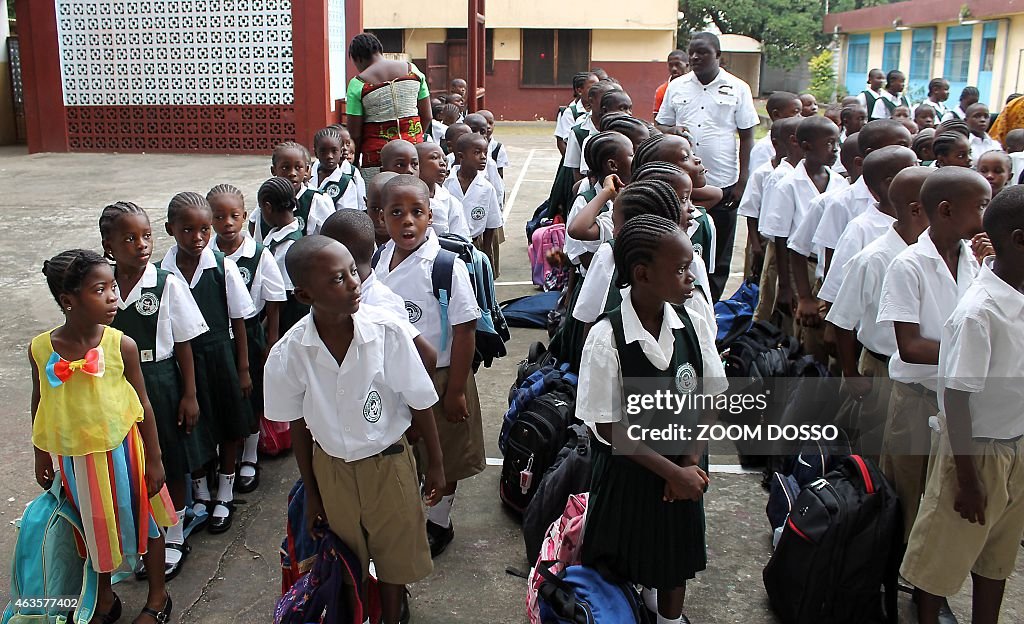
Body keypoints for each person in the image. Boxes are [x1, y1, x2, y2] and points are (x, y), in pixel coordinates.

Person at [265, 235, 445, 624]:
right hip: (333, 471)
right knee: (347, 562)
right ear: (305, 295)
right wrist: (311, 494)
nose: (353, 283)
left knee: (396, 560)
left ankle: (392, 617)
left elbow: (420, 397)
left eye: (352, 271)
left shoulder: (386, 331)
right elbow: (298, 428)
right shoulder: (290, 352)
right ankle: (362, 614)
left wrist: (436, 464)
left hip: (391, 463)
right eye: (336, 279)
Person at [578, 213, 727, 624]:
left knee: (675, 557)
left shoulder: (694, 324)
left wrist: (689, 464)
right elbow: (608, 426)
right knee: (624, 555)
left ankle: (668, 618)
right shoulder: (606, 336)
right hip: (632, 470)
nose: (691, 277)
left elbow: (711, 396)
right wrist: (670, 473)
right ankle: (629, 606)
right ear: (642, 274)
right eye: (680, 269)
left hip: (685, 462)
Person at [31, 249, 178, 624]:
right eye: (101, 289)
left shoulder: (120, 345)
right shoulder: (41, 349)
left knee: (146, 520)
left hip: (124, 453)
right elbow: (40, 401)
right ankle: (105, 599)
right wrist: (41, 454)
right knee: (91, 529)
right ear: (68, 301)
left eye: (113, 287)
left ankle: (158, 597)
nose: (114, 296)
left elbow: (143, 403)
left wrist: (156, 459)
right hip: (77, 459)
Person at [900, 185, 1024, 624]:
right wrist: (969, 478)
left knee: (997, 558)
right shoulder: (980, 311)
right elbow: (956, 398)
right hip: (975, 451)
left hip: (1015, 444)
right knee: (940, 558)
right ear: (1018, 239)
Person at [876, 166, 991, 544]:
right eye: (980, 207)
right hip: (917, 399)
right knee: (904, 495)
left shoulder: (978, 262)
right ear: (946, 211)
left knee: (942, 499)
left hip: (958, 402)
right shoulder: (908, 264)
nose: (985, 217)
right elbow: (910, 347)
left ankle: (924, 587)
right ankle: (893, 583)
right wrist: (974, 357)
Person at [373, 175, 482, 558]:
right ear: (380, 218)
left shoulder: (445, 266)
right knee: (409, 448)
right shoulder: (378, 260)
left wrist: (455, 391)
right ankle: (413, 510)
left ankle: (439, 521)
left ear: (431, 216)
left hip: (441, 377)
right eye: (396, 213)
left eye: (416, 212)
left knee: (446, 454)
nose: (407, 221)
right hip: (395, 377)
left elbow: (465, 329)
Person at [100, 203, 208, 580]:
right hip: (114, 383)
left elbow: (184, 344)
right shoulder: (104, 286)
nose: (141, 245)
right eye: (129, 238)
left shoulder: (166, 283)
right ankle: (140, 531)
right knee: (131, 458)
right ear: (108, 244)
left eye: (146, 236)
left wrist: (189, 393)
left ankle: (175, 532)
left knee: (170, 457)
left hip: (160, 380)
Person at [160, 192, 256, 535]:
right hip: (183, 363)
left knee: (229, 421)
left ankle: (225, 491)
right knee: (192, 427)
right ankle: (200, 491)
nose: (198, 238)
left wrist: (243, 368)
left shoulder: (222, 266)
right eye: (188, 230)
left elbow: (240, 320)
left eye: (204, 229)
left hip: (220, 355)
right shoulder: (162, 274)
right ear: (171, 229)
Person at [826, 166, 932, 458]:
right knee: (875, 452)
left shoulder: (937, 253)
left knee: (912, 456)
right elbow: (842, 319)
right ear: (917, 210)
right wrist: (850, 372)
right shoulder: (874, 258)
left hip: (926, 376)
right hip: (881, 371)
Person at [656, 32, 759, 301]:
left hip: (723, 180)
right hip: (680, 182)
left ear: (718, 56)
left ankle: (709, 305)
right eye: (692, 52)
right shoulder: (676, 87)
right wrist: (672, 129)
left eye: (702, 52)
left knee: (719, 249)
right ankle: (679, 300)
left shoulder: (738, 88)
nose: (694, 57)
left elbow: (747, 136)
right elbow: (660, 125)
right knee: (680, 242)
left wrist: (742, 181)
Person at [208, 184, 287, 495]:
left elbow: (275, 299)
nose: (227, 223)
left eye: (234, 216)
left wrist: (270, 341)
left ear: (245, 217)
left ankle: (251, 454)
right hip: (214, 335)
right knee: (222, 395)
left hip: (250, 333)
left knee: (251, 394)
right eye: (219, 216)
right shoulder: (206, 253)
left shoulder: (258, 254)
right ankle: (225, 452)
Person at [760, 116, 847, 360]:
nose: (836, 149)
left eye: (837, 142)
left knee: (823, 324)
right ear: (806, 146)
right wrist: (786, 287)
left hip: (826, 265)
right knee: (802, 326)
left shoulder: (839, 183)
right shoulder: (788, 184)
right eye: (829, 143)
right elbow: (780, 236)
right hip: (800, 264)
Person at [817, 146, 920, 307]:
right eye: (914, 169)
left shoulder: (924, 221)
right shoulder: (860, 229)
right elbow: (836, 293)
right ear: (891, 183)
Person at [813, 119, 913, 276]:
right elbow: (831, 257)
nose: (907, 152)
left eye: (909, 146)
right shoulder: (842, 202)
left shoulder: (913, 201)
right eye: (900, 146)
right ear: (870, 153)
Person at [345, 33, 432, 182]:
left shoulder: (358, 83)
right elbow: (428, 116)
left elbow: (355, 134)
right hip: (413, 155)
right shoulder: (413, 71)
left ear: (358, 58)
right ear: (380, 50)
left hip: (376, 159)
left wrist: (355, 163)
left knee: (380, 200)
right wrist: (413, 139)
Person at [565, 132, 633, 272]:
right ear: (612, 165)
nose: (637, 159)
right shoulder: (585, 200)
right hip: (598, 280)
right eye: (632, 155)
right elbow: (578, 255)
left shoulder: (634, 194)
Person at [251, 141, 334, 240]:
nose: (292, 173)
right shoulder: (267, 200)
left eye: (298, 168)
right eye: (285, 168)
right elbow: (258, 237)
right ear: (274, 170)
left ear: (307, 170)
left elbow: (330, 239)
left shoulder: (317, 201)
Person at [443, 133, 503, 265]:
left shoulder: (487, 188)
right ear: (461, 156)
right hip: (448, 245)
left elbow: (491, 225)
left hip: (476, 245)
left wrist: (486, 254)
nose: (483, 157)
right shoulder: (446, 184)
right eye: (477, 152)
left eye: (485, 153)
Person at [416, 141, 471, 238]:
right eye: (434, 157)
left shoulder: (451, 202)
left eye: (444, 159)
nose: (442, 163)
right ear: (416, 165)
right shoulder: (405, 199)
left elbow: (460, 238)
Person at [310, 126, 364, 211]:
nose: (329, 156)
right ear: (316, 153)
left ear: (341, 152)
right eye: (323, 151)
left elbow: (350, 213)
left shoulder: (346, 182)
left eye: (334, 151)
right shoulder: (308, 175)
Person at [748, 91, 802, 176]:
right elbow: (758, 177)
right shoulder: (764, 147)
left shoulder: (797, 143)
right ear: (776, 114)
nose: (800, 117)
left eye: (800, 113)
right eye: (795, 112)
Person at [555, 72, 598, 157]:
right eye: (592, 88)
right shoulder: (569, 112)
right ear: (579, 91)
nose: (596, 92)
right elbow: (563, 142)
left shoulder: (599, 110)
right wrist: (572, 163)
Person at [366, 171, 399, 248]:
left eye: (393, 211)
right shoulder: (357, 237)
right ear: (366, 203)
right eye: (375, 209)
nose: (380, 219)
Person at [653, 50, 689, 117]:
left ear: (687, 66)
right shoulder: (662, 90)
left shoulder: (697, 87)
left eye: (678, 64)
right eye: (670, 65)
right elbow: (657, 120)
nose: (674, 68)